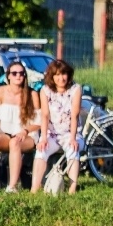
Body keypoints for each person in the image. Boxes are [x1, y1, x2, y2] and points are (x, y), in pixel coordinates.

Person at [0, 61, 40, 194]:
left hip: (27, 134)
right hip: (6, 132)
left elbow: (39, 122)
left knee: (15, 143)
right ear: (8, 76)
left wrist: (25, 131)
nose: (18, 76)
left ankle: (12, 186)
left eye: (21, 73)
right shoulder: (1, 91)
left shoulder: (32, 94)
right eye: (14, 73)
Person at [31, 60, 83, 194]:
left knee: (72, 149)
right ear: (52, 76)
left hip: (71, 132)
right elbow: (45, 115)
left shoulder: (75, 89)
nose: (61, 78)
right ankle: (34, 188)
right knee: (41, 151)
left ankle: (72, 189)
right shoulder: (45, 90)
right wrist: (43, 138)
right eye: (57, 75)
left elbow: (75, 114)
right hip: (52, 133)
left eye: (64, 74)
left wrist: (73, 138)